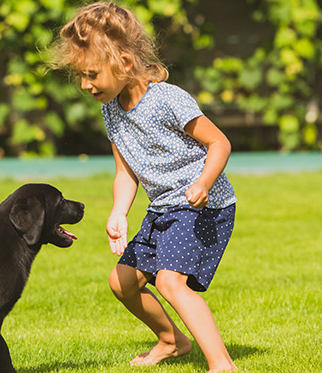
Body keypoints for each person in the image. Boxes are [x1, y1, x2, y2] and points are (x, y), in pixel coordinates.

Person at [50, 2, 239, 372]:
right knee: (121, 282)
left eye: (91, 74)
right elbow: (126, 172)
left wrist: (203, 183)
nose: (85, 85)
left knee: (170, 282)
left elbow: (220, 144)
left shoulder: (168, 99)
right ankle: (172, 341)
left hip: (202, 204)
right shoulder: (110, 109)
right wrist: (119, 211)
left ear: (123, 63)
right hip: (163, 209)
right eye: (80, 77)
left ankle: (222, 365)